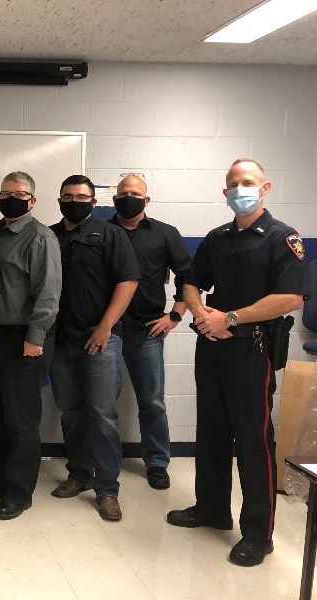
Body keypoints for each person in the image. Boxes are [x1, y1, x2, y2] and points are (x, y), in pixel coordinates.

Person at [167, 158, 309, 567]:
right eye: (233, 183)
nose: (239, 189)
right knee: (211, 431)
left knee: (252, 440)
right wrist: (202, 315)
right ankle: (211, 508)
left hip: (253, 350)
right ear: (225, 192)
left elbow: (291, 297)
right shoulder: (218, 237)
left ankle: (258, 534)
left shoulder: (282, 238)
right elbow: (191, 282)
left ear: (265, 188)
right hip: (212, 346)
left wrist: (229, 318)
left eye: (247, 182)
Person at [49, 174, 139, 522]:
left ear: (94, 202)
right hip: (61, 340)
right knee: (70, 412)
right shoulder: (49, 236)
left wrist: (105, 327)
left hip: (101, 339)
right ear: (59, 200)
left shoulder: (111, 234)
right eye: (68, 197)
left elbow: (127, 282)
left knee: (102, 415)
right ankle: (80, 474)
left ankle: (107, 489)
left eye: (82, 197)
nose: (75, 202)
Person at [0, 171, 62, 520]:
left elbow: (49, 293)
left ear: (32, 200)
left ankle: (19, 492)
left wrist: (35, 338)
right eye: (5, 193)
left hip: (24, 339)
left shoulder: (40, 237)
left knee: (21, 419)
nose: (10, 199)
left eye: (18, 194)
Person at [109, 173, 192, 490]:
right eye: (122, 193)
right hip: (107, 330)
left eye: (134, 193)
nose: (127, 198)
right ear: (114, 198)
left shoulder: (165, 234)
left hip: (148, 330)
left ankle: (157, 462)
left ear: (146, 199)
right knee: (103, 403)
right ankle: (105, 462)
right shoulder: (102, 231)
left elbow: (189, 277)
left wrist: (175, 315)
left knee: (152, 402)